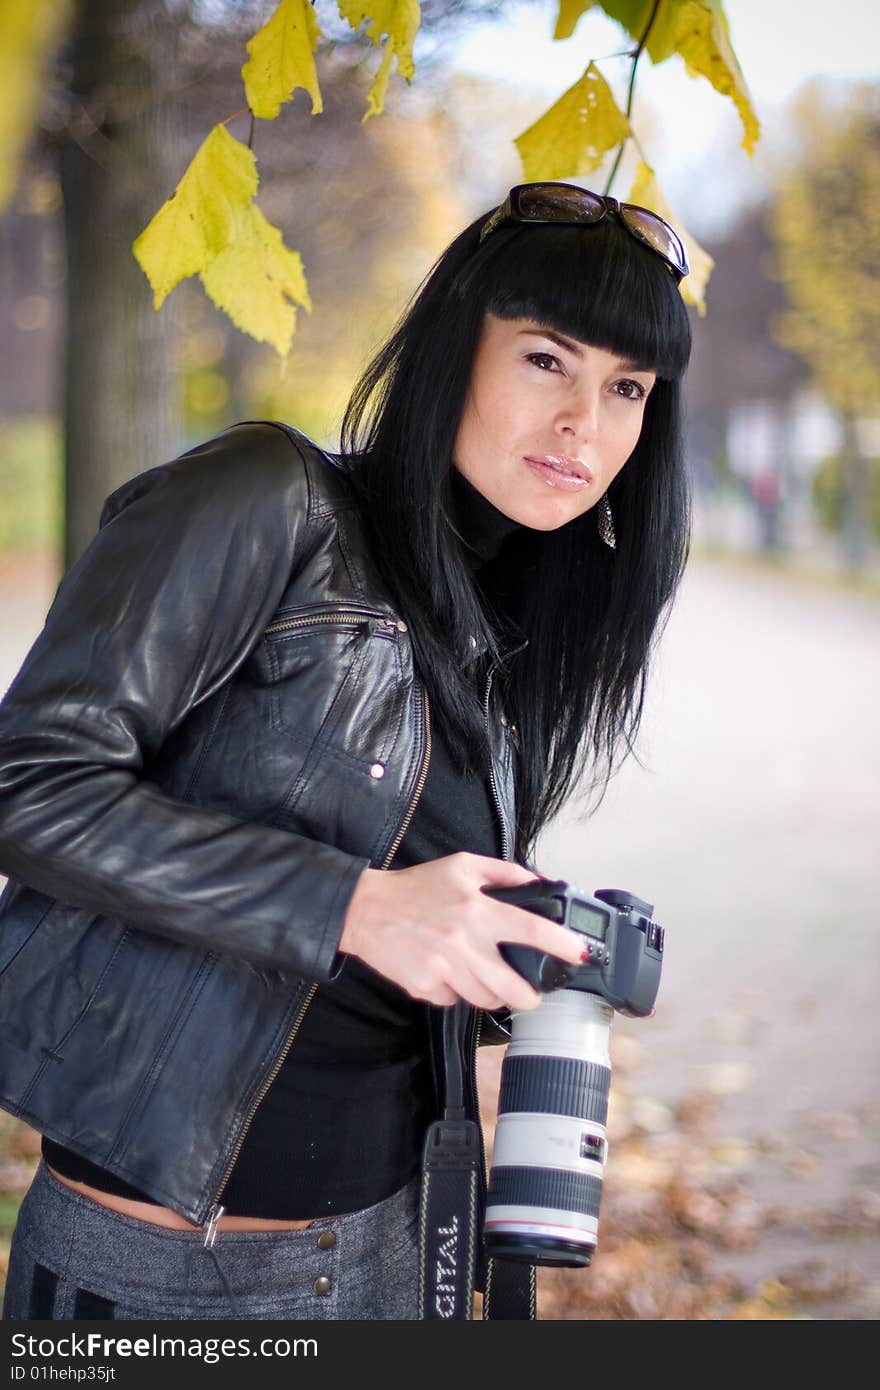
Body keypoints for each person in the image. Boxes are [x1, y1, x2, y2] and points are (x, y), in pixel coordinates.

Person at [0, 182, 691, 1321]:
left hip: (392, 1248)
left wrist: (497, 956)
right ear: (451, 350)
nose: (585, 423)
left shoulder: (491, 623)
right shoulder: (264, 498)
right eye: (544, 360)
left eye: (626, 387)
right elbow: (33, 781)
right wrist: (358, 906)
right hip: (173, 1272)